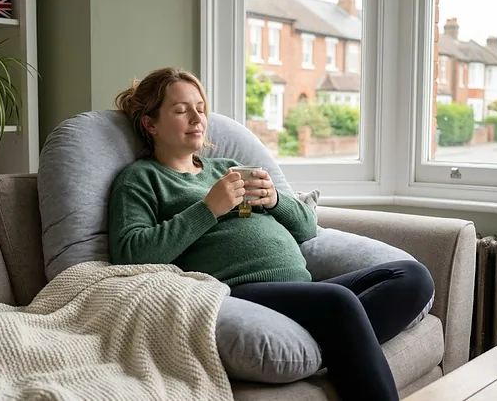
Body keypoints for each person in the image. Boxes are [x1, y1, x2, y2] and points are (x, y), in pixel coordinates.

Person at [107, 67, 435, 401]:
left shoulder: (226, 166)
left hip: (301, 289)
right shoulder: (141, 178)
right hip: (241, 290)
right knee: (339, 302)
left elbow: (307, 229)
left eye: (200, 109)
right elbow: (131, 254)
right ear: (151, 124)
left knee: (413, 276)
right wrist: (208, 209)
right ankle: (343, 344)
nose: (196, 118)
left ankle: (339, 347)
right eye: (180, 110)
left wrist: (276, 201)